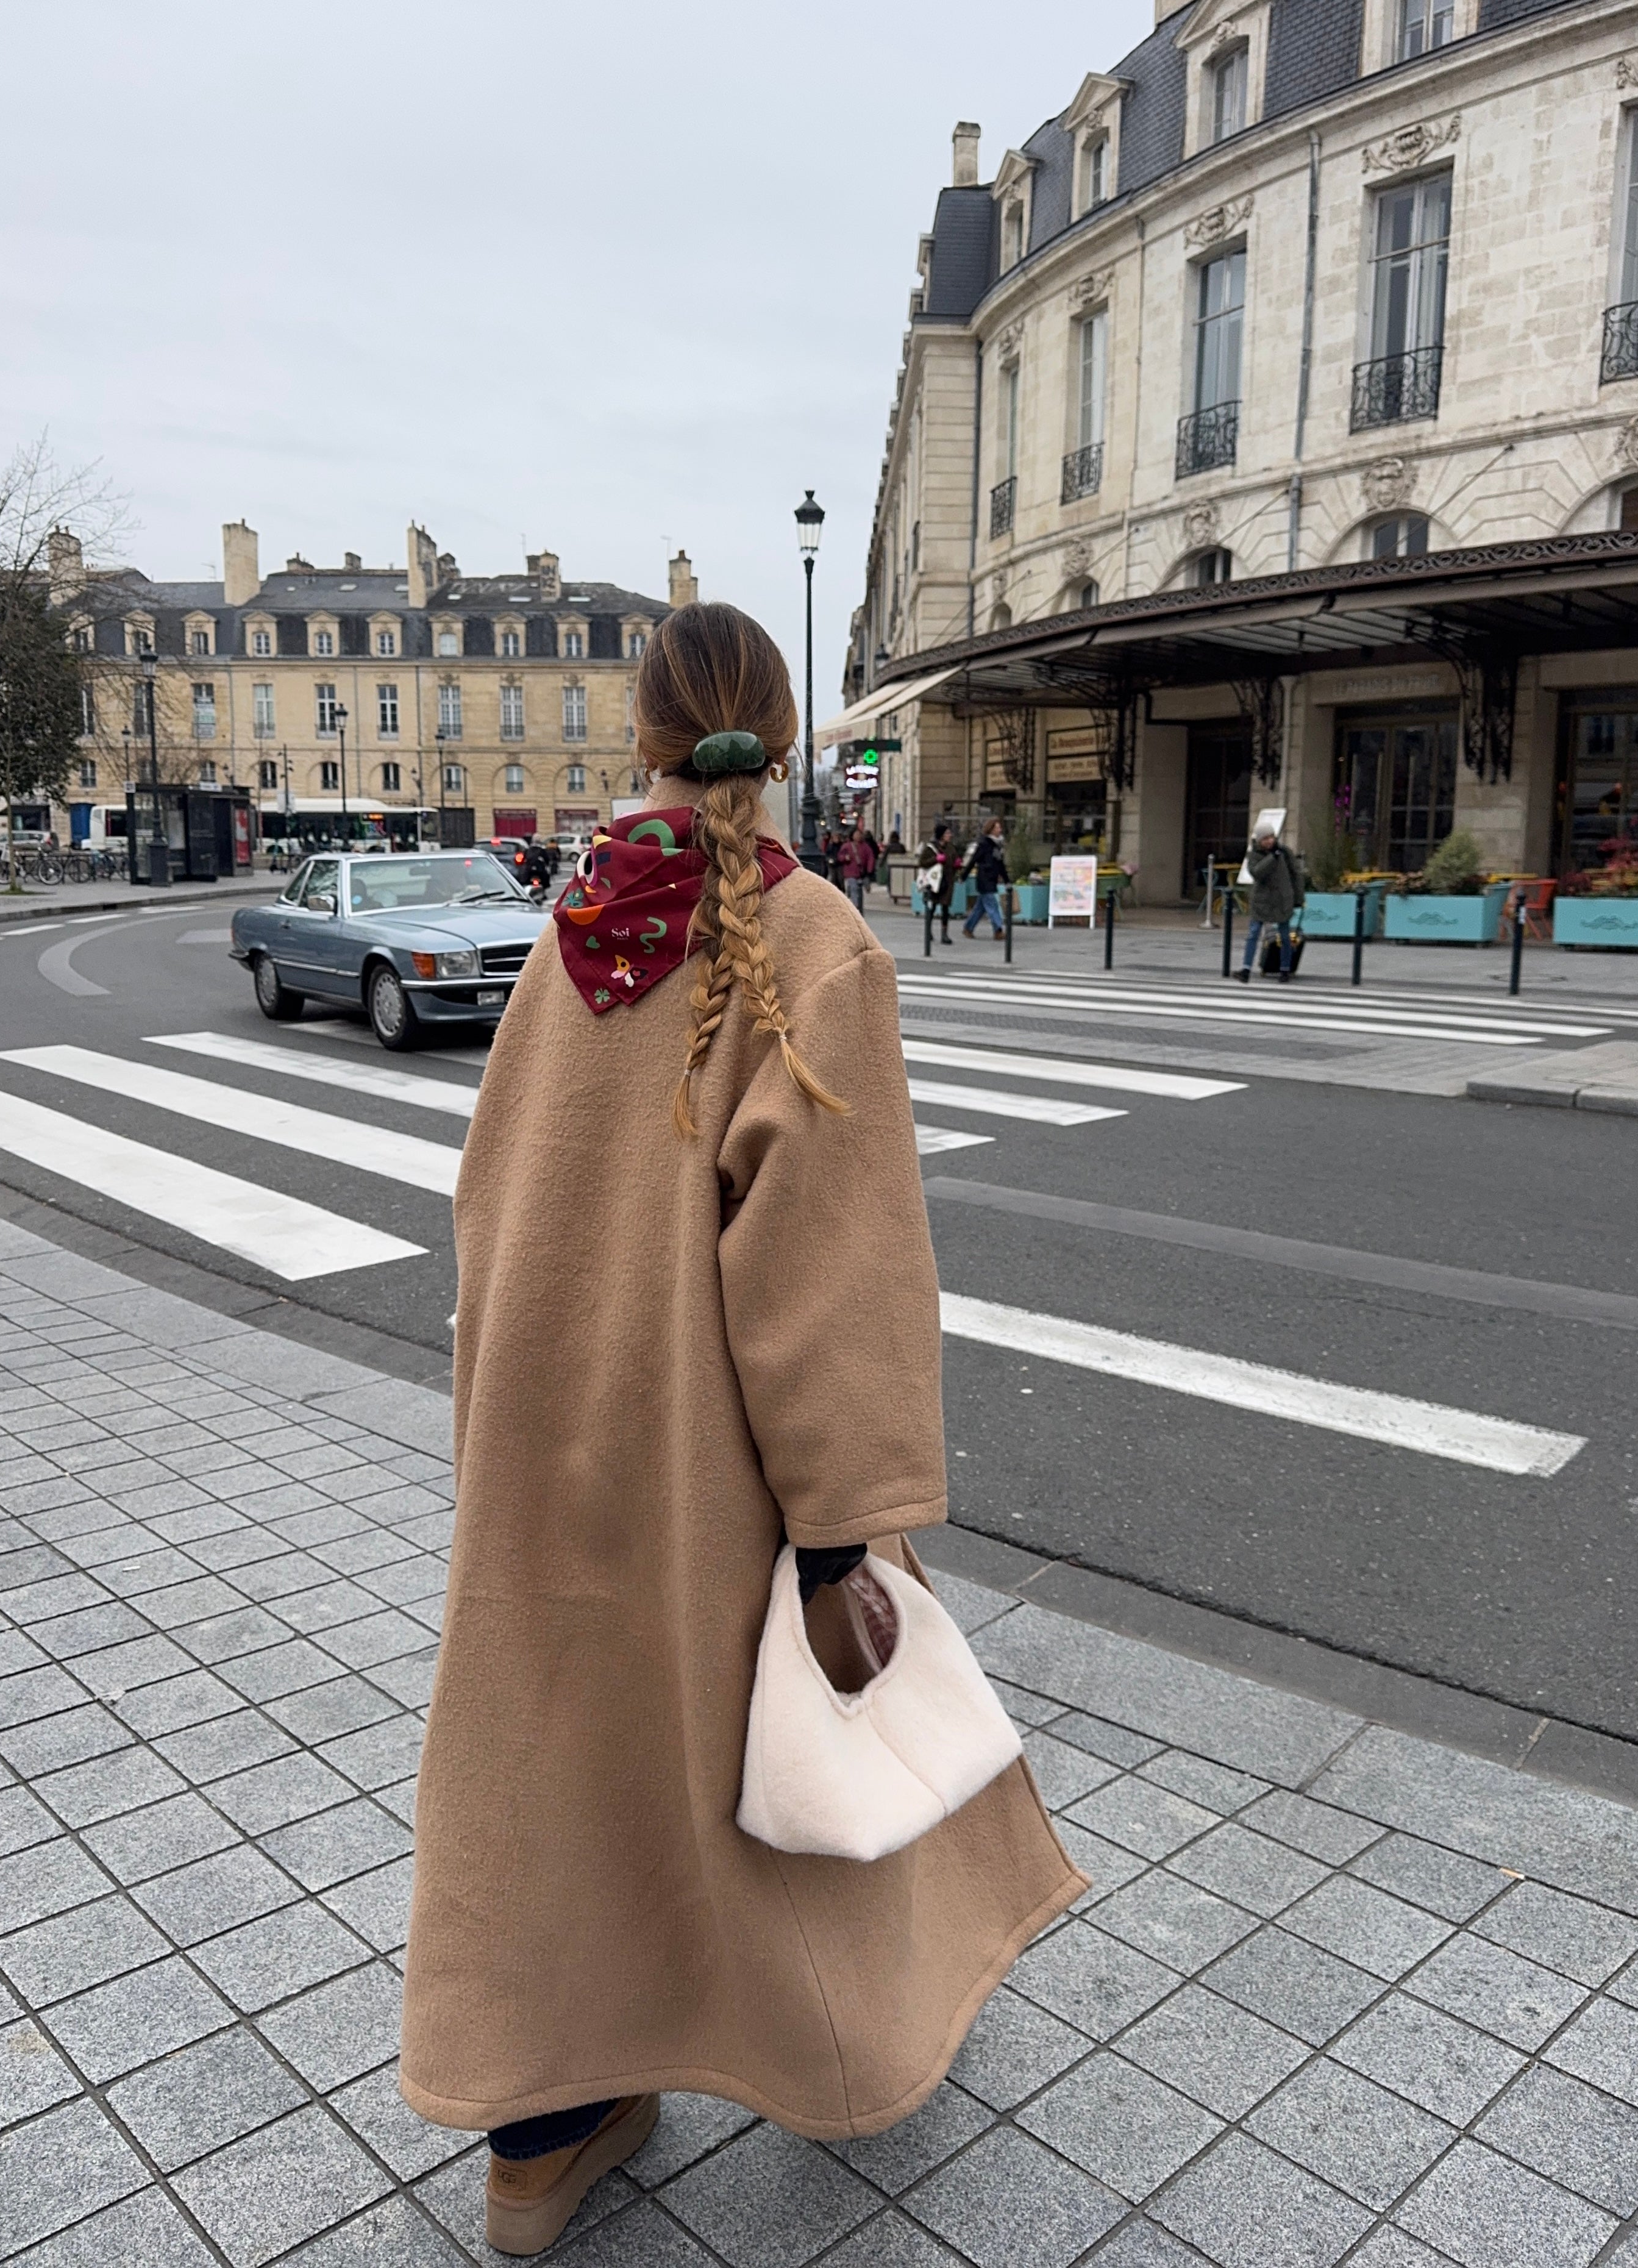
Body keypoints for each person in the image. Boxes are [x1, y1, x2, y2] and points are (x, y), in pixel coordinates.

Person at [399, 602, 1083, 2258]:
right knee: (789, 1742)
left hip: (546, 1441)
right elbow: (825, 1275)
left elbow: (490, 1200)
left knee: (560, 1772)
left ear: (637, 737)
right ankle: (856, 2037)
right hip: (713, 1464)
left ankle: (541, 2128)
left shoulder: (570, 932)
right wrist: (838, 1529)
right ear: (778, 740)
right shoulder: (808, 941)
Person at [1237, 821, 1303, 983]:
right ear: (1259, 840)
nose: (1269, 841)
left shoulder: (1285, 852)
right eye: (1265, 838)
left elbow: (1296, 874)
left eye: (1271, 837)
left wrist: (1299, 898)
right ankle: (1246, 968)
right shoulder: (1254, 855)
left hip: (1282, 899)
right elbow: (1257, 873)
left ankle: (1285, 969)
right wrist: (1272, 857)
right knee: (1253, 934)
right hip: (1262, 901)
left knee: (1285, 936)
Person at [961, 816, 1008, 938]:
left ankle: (968, 928)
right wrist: (964, 875)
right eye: (997, 828)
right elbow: (974, 860)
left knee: (980, 908)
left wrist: (1007, 880)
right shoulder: (984, 844)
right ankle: (998, 930)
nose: (1000, 830)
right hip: (984, 878)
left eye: (1000, 827)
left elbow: (1000, 864)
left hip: (992, 879)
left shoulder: (998, 846)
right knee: (992, 905)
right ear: (991, 829)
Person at [915, 821, 958, 943]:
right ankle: (928, 931)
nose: (950, 835)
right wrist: (936, 859)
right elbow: (922, 863)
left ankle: (945, 934)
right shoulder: (931, 848)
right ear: (941, 835)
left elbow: (954, 859)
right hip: (935, 883)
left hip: (947, 882)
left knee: (945, 908)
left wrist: (957, 864)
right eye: (947, 833)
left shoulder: (950, 847)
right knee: (932, 907)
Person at [836, 820, 875, 911]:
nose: (859, 836)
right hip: (851, 873)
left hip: (861, 873)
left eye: (860, 834)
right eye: (857, 834)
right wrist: (845, 858)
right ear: (852, 835)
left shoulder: (865, 847)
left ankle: (859, 909)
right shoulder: (847, 846)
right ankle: (855, 907)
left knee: (860, 892)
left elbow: (871, 857)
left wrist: (869, 870)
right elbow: (840, 857)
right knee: (854, 889)